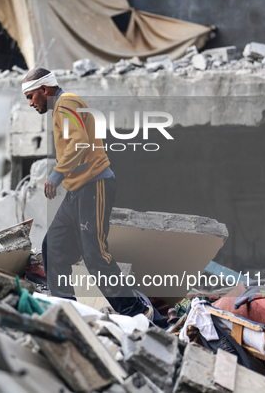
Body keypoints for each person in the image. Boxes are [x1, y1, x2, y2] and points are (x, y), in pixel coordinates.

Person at [22, 67, 166, 323]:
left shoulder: (66, 102)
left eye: (31, 96)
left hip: (94, 186)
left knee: (95, 256)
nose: (31, 103)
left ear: (44, 90)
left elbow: (79, 142)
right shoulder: (61, 108)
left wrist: (56, 175)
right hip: (78, 190)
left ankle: (139, 313)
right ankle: (66, 312)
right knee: (53, 246)